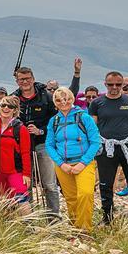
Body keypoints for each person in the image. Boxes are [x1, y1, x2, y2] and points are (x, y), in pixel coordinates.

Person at [89, 70, 128, 224]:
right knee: (106, 185)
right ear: (105, 84)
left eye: (118, 84)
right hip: (106, 148)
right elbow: (93, 128)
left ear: (122, 84)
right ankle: (107, 217)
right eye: (110, 84)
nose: (114, 87)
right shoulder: (96, 103)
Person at [45, 87, 102, 231]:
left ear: (72, 99)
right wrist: (61, 164)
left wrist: (82, 163)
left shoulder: (84, 117)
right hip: (63, 165)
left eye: (67, 99)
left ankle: (84, 229)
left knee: (85, 194)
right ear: (55, 102)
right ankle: (75, 228)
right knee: (70, 198)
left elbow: (95, 142)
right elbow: (49, 145)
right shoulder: (54, 121)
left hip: (84, 163)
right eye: (59, 100)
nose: (63, 102)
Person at [12, 66, 61, 214]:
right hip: (22, 146)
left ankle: (53, 218)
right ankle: (30, 217)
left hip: (43, 143)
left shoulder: (46, 97)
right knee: (26, 183)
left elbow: (56, 120)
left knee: (49, 184)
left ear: (33, 79)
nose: (25, 82)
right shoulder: (14, 98)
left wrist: (41, 130)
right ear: (17, 81)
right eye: (21, 79)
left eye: (27, 78)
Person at [0, 96, 32, 203]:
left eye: (10, 106)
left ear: (15, 110)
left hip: (15, 172)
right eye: (3, 105)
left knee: (21, 201)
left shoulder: (20, 128)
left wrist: (27, 174)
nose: (6, 108)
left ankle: (26, 216)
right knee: (3, 203)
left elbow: (25, 153)